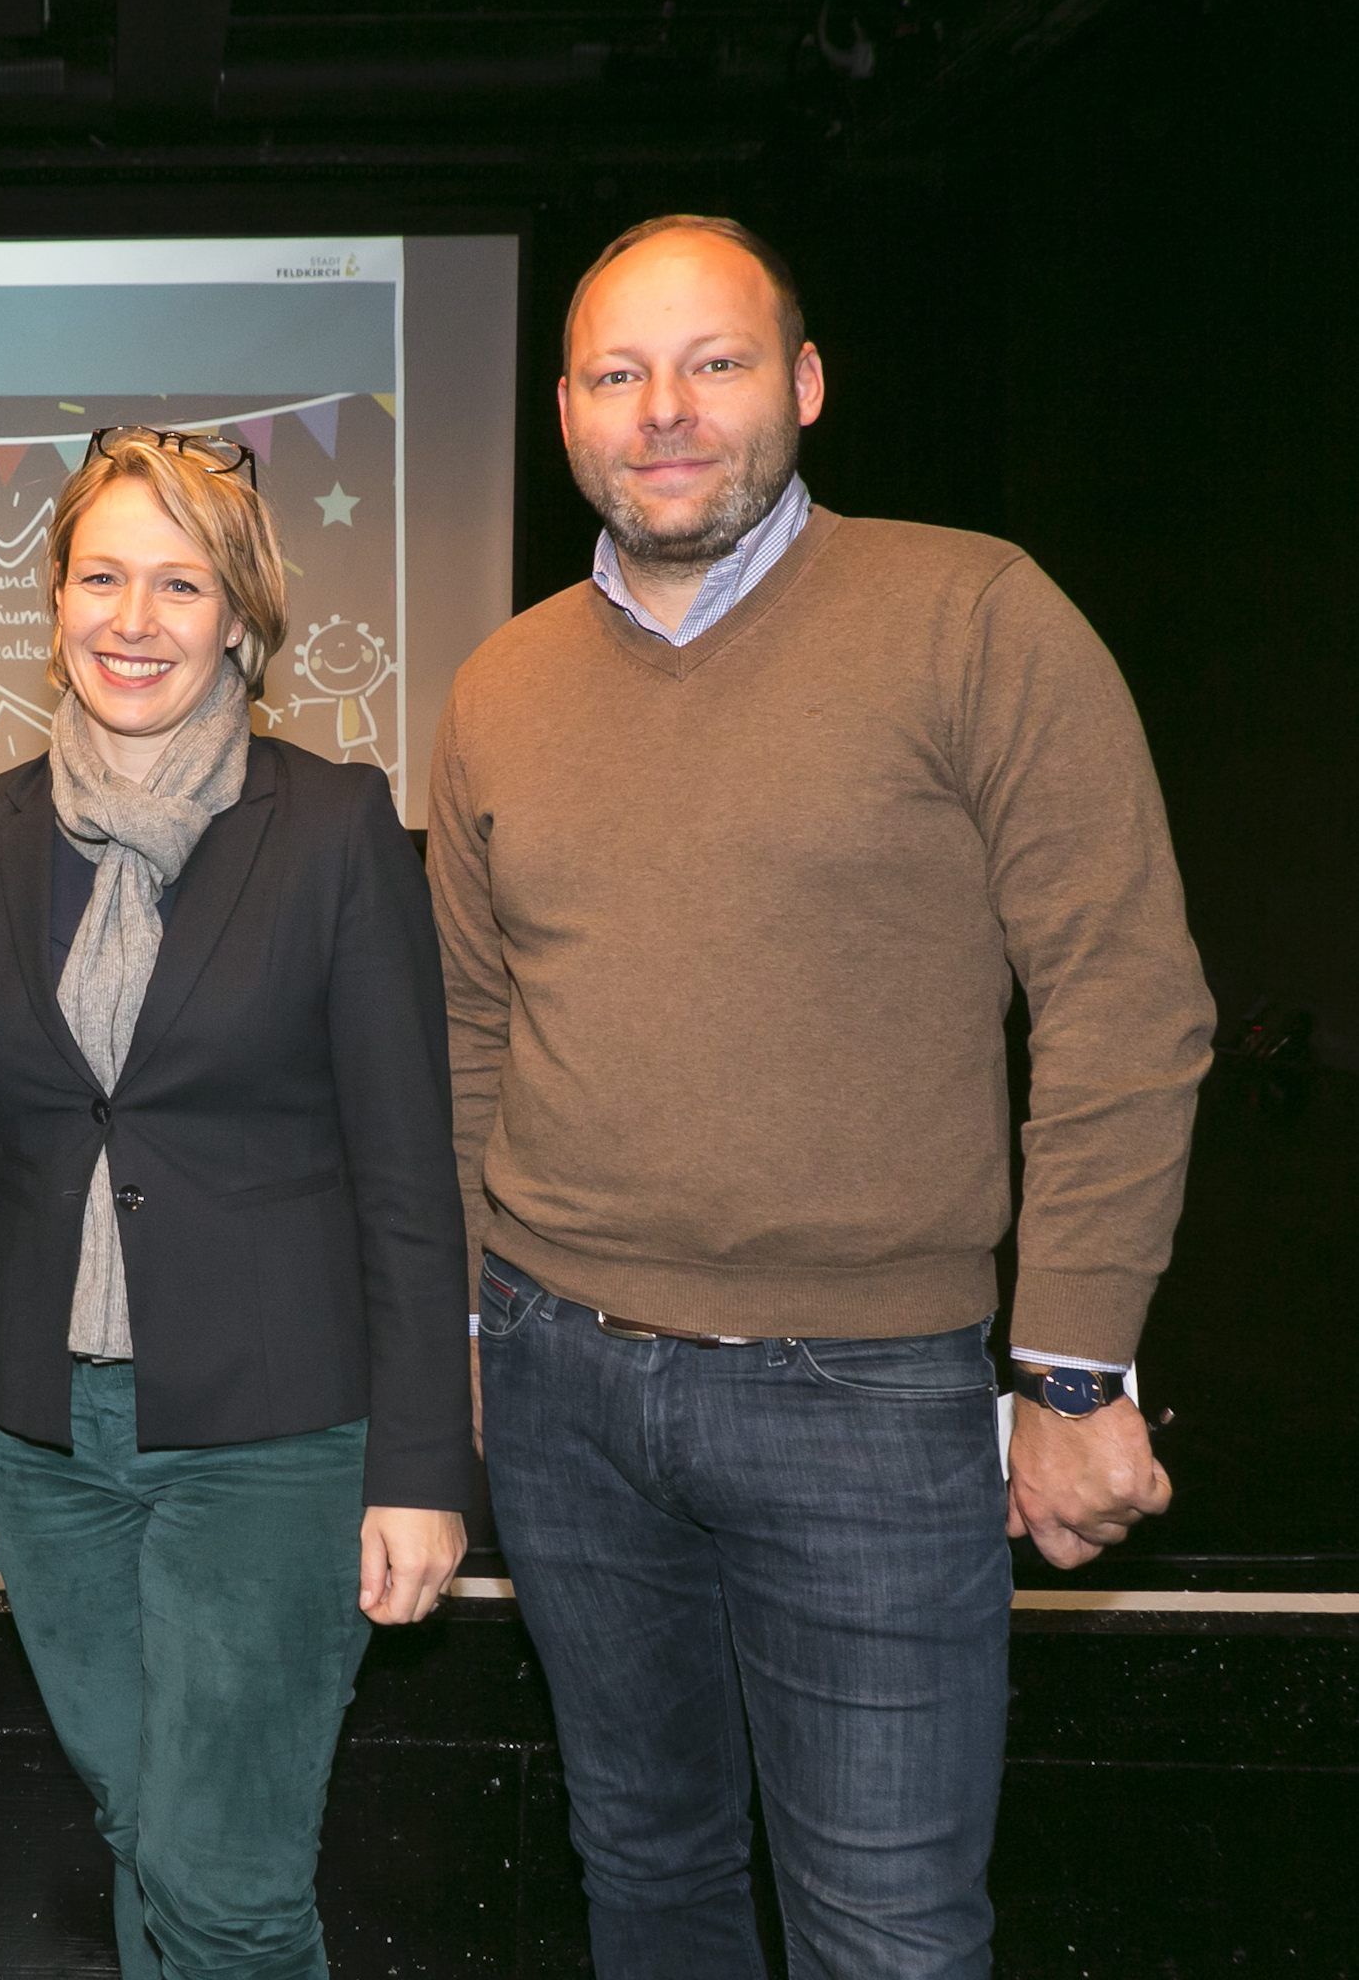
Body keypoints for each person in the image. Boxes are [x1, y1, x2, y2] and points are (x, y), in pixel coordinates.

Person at [427, 214, 1215, 1977]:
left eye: (713, 363)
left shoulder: (975, 615)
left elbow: (1124, 997)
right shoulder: (499, 685)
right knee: (644, 1880)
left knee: (888, 1933)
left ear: (804, 382)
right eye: (620, 374)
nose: (666, 412)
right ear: (565, 413)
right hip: (561, 1382)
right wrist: (477, 1335)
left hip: (868, 1400)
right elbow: (475, 1033)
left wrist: (1077, 1366)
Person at [0, 429, 472, 1980]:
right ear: (55, 600)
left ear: (241, 617)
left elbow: (410, 1174)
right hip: (40, 1445)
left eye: (178, 582)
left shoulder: (338, 826)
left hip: (273, 1441)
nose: (132, 619)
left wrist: (424, 1464)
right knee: (147, 1834)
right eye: (100, 577)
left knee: (223, 1874)